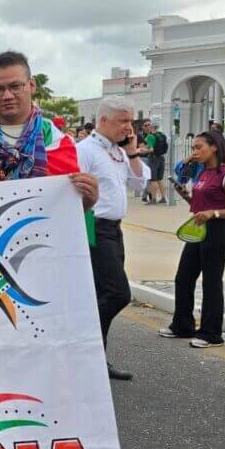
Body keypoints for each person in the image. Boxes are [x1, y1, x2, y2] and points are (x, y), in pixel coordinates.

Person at [0, 51, 98, 206]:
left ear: (32, 85)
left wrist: (87, 201)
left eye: (15, 86)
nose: (7, 95)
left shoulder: (58, 143)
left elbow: (65, 210)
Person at [76, 96, 146, 381]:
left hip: (115, 230)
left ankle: (94, 360)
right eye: (123, 121)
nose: (129, 128)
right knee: (117, 293)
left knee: (99, 295)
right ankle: (85, 348)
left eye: (130, 121)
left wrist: (132, 153)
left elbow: (140, 184)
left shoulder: (118, 152)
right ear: (103, 120)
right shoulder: (85, 150)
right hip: (94, 227)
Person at [158, 131, 225, 348]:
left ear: (214, 147)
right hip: (198, 230)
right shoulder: (203, 173)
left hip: (217, 232)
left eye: (198, 147)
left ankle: (211, 333)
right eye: (193, 148)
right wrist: (185, 194)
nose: (195, 152)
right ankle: (182, 325)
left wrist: (213, 213)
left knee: (211, 283)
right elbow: (197, 205)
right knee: (183, 277)